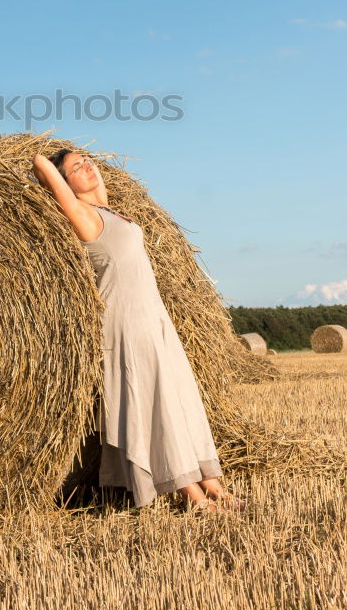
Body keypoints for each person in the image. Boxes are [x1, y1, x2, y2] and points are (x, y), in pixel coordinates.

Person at [31, 148, 247, 516]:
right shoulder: (84, 216)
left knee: (180, 400)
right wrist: (41, 158)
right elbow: (40, 165)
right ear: (65, 184)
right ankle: (193, 497)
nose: (88, 167)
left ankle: (214, 486)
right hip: (126, 323)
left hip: (154, 319)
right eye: (76, 168)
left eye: (88, 161)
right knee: (156, 406)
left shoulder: (113, 214)